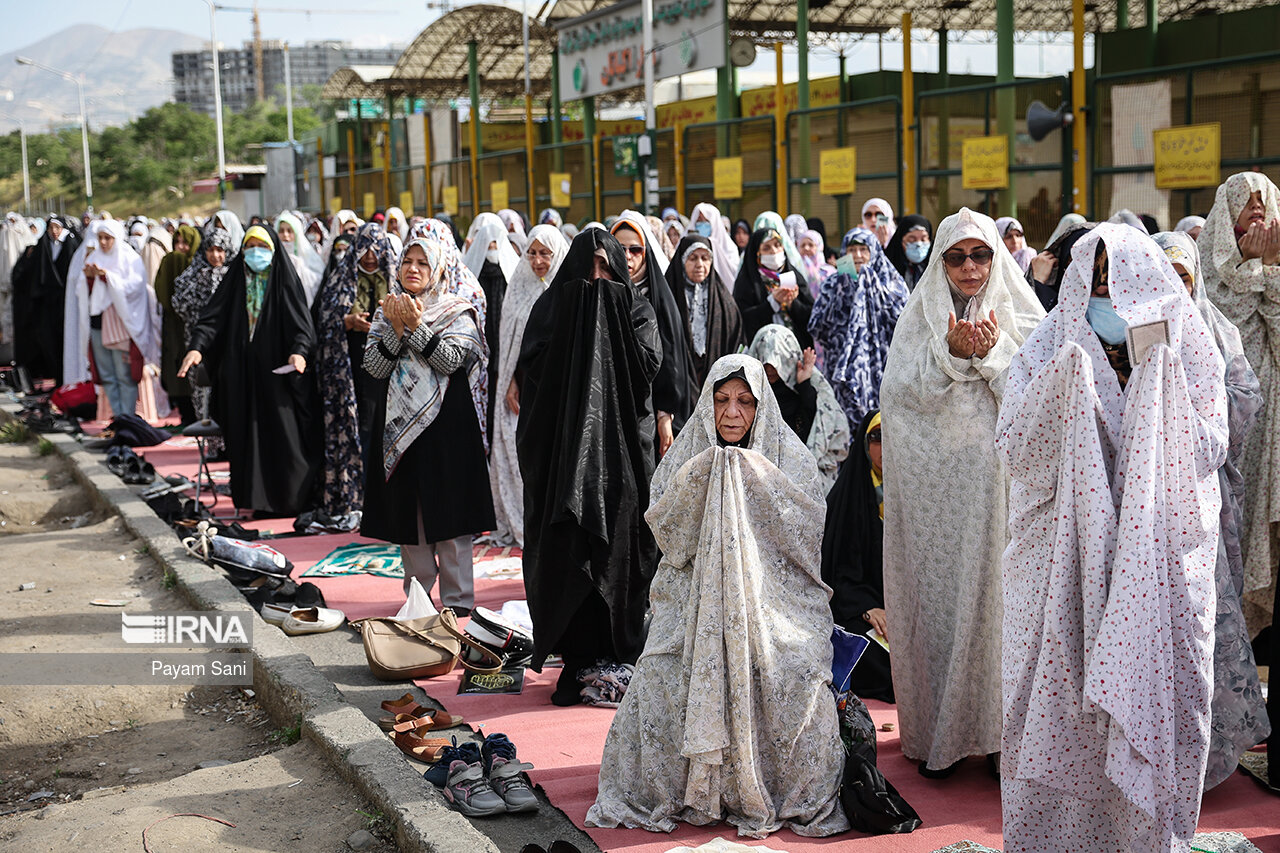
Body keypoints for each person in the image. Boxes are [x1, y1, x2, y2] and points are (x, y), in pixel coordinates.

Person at [996, 223, 1228, 850]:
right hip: (1060, 561)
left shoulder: (1186, 341)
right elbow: (1014, 445)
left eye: (1118, 277)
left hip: (1158, 557)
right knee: (1055, 694)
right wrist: (1066, 388)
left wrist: (1158, 389)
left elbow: (1211, 443)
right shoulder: (1052, 342)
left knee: (1165, 693)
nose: (1107, 291)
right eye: (1095, 279)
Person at [587, 353, 849, 838]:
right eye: (722, 399)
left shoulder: (790, 458)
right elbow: (668, 533)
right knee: (659, 673)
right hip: (691, 602)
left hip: (773, 604)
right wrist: (706, 476)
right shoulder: (688, 454)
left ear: (761, 407)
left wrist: (751, 477)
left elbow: (805, 537)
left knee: (797, 672)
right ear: (706, 403)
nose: (732, 412)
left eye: (745, 401)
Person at [878, 206, 1045, 778]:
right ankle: (940, 736)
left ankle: (1003, 739)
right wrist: (949, 354)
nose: (970, 268)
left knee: (1004, 609)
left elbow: (1043, 394)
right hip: (938, 502)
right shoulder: (918, 318)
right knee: (941, 607)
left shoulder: (1023, 313)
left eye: (980, 255)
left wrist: (992, 355)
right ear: (941, 263)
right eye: (956, 257)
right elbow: (897, 397)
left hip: (1003, 495)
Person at [516, 228, 662, 705]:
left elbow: (647, 367)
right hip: (564, 464)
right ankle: (576, 660)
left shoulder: (638, 310)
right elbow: (535, 375)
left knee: (620, 553)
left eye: (606, 269)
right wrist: (577, 327)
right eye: (589, 268)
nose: (597, 279)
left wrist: (604, 317)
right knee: (568, 555)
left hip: (622, 462)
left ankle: (619, 653)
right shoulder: (550, 309)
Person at [1154, 229, 1269, 790]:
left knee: (1204, 616)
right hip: (1145, 500)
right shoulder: (1131, 329)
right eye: (1164, 275)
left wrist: (1196, 410)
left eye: (1183, 276)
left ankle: (1208, 750)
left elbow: (1245, 396)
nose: (1174, 287)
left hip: (1203, 495)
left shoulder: (1216, 328)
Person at [359, 234, 492, 614]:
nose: (413, 269)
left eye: (422, 263)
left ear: (439, 270)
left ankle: (458, 602)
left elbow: (449, 361)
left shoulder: (457, 310)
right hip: (400, 428)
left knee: (451, 516)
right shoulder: (387, 311)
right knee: (410, 517)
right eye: (407, 262)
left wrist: (416, 328)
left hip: (448, 426)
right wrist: (396, 329)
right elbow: (375, 367)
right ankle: (418, 601)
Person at [178, 224, 321, 517]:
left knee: (282, 438)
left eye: (262, 247)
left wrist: (299, 352)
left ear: (273, 250)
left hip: (278, 378)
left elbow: (302, 326)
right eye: (250, 247)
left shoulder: (283, 281)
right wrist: (197, 348)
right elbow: (211, 320)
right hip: (240, 378)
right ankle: (255, 501)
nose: (256, 253)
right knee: (246, 440)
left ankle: (289, 501)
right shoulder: (235, 282)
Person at [1202, 172, 1280, 628]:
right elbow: (1220, 322)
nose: (1256, 208)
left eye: (1262, 200)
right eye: (1246, 200)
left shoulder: (1276, 259)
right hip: (1223, 418)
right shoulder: (1206, 266)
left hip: (1271, 416)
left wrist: (1268, 270)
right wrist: (1252, 268)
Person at [489, 224, 569, 548]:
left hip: (558, 388)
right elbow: (507, 341)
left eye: (545, 253)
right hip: (525, 387)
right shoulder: (518, 288)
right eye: (532, 253)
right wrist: (509, 380)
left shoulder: (568, 290)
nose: (538, 261)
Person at [314, 222, 398, 529]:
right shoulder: (341, 280)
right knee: (362, 427)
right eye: (365, 250)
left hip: (391, 370)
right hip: (352, 368)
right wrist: (347, 322)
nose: (371, 256)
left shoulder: (396, 280)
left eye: (377, 250)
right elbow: (322, 319)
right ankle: (361, 492)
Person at [821, 408, 894, 702]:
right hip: (857, 611)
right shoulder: (847, 498)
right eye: (877, 437)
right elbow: (835, 572)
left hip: (906, 612)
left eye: (893, 436)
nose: (885, 446)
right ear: (864, 443)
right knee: (869, 654)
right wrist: (867, 608)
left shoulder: (917, 496)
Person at [612, 212, 697, 448]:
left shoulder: (659, 299)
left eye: (635, 250)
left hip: (649, 412)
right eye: (619, 249)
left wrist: (664, 415)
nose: (627, 256)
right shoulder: (601, 292)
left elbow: (670, 361)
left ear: (645, 253)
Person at [809, 227, 909, 427]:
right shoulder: (831, 284)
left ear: (874, 252)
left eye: (864, 249)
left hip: (883, 367)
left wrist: (872, 289)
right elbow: (816, 327)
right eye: (851, 250)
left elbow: (904, 324)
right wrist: (843, 291)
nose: (857, 255)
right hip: (839, 368)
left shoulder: (892, 283)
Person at [63, 220, 159, 417]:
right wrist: (90, 278)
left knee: (124, 374)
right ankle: (117, 416)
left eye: (108, 238)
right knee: (106, 373)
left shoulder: (129, 258)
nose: (103, 242)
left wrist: (107, 276)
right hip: (98, 323)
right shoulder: (94, 257)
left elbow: (135, 288)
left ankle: (128, 416)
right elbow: (83, 292)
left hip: (121, 326)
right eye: (100, 238)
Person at [746, 324, 849, 492]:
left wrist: (804, 383)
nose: (770, 370)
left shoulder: (804, 389)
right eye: (765, 363)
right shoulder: (752, 392)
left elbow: (817, 424)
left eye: (775, 363)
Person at [171, 226, 233, 440]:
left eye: (220, 250)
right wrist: (200, 285)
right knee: (202, 393)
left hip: (228, 345)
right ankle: (212, 444)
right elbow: (178, 304)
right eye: (210, 250)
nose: (215, 255)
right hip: (199, 344)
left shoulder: (235, 276)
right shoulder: (193, 275)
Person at [464, 212, 521, 443]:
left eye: (496, 242)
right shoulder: (468, 278)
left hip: (508, 361)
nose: (492, 247)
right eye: (486, 242)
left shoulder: (514, 274)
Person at [665, 233, 744, 389]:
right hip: (677, 381)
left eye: (705, 258)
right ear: (682, 260)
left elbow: (735, 338)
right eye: (693, 258)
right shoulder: (669, 295)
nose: (700, 264)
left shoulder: (723, 299)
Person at [12, 215, 79, 385]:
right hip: (48, 304)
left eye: (57, 228)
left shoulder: (71, 245)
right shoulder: (43, 246)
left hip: (66, 303)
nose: (54, 232)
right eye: (51, 228)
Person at [734, 226, 816, 349]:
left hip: (795, 349)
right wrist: (772, 303)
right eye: (766, 248)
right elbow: (743, 320)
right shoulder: (747, 281)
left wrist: (792, 303)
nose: (774, 251)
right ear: (757, 253)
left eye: (778, 245)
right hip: (762, 351)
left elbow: (811, 315)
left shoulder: (793, 276)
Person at [153, 224, 202, 424]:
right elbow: (162, 292)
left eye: (185, 243)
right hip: (172, 328)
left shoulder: (200, 268)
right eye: (177, 242)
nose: (181, 247)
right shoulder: (169, 262)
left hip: (193, 328)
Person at [1026, 221, 1094, 313]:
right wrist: (1038, 283)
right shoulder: (1054, 301)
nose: (1084, 268)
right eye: (1075, 260)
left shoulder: (1106, 293)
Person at [274, 212, 324, 307]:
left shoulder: (311, 258)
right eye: (281, 231)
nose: (285, 235)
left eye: (290, 231)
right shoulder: (272, 259)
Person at [688, 202, 740, 289]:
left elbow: (733, 275)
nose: (702, 224)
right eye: (699, 220)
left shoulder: (729, 248)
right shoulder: (686, 245)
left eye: (706, 221)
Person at [884, 215, 933, 291]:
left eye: (923, 239)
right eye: (912, 239)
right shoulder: (888, 269)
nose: (918, 244)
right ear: (901, 241)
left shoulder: (937, 269)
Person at [797, 229, 836, 295]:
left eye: (811, 245)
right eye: (802, 245)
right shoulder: (794, 270)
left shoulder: (830, 272)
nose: (806, 248)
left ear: (819, 247)